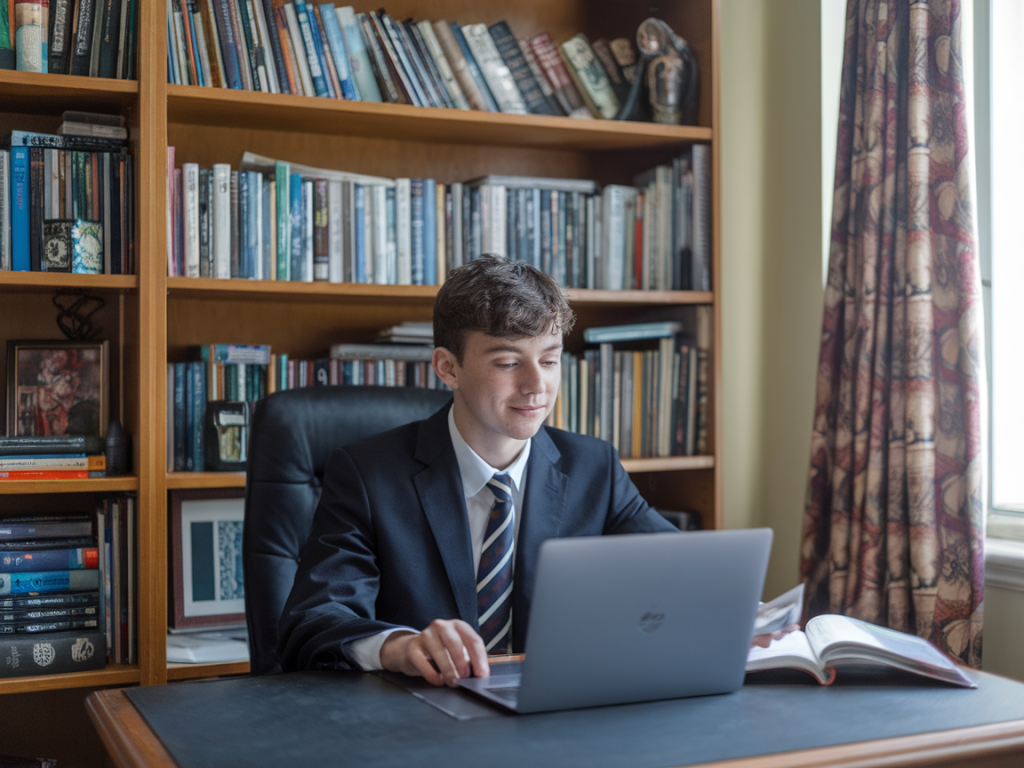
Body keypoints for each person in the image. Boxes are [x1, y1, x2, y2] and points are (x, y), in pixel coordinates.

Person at [277, 256, 678, 687]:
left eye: (549, 361)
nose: (536, 386)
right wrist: (399, 647)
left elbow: (682, 573)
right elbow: (313, 622)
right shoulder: (367, 475)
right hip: (423, 713)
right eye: (508, 363)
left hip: (554, 708)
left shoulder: (594, 468)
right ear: (448, 368)